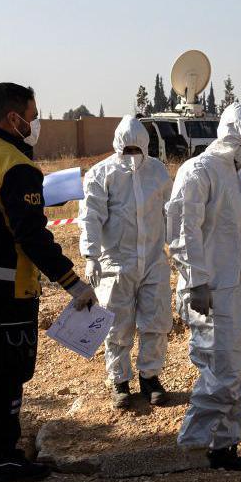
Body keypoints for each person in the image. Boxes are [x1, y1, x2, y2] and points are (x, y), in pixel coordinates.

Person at [0, 83, 96, 482]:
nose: (35, 123)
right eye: (32, 114)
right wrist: (73, 283)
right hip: (7, 285)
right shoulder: (15, 165)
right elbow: (30, 236)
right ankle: (2, 457)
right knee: (5, 371)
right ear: (14, 118)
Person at [167, 103, 241, 471]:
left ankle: (225, 447)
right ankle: (192, 448)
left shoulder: (240, 176)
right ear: (233, 137)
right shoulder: (198, 172)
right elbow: (182, 230)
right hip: (211, 292)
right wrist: (196, 282)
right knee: (220, 372)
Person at [78, 115, 173, 409]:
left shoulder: (157, 172)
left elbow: (170, 211)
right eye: (127, 150)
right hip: (116, 265)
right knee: (117, 325)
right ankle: (119, 381)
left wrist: (180, 251)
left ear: (145, 147)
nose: (132, 156)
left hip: (154, 261)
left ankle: (150, 378)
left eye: (137, 150)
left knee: (155, 322)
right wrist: (91, 256)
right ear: (118, 147)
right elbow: (90, 216)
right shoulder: (101, 173)